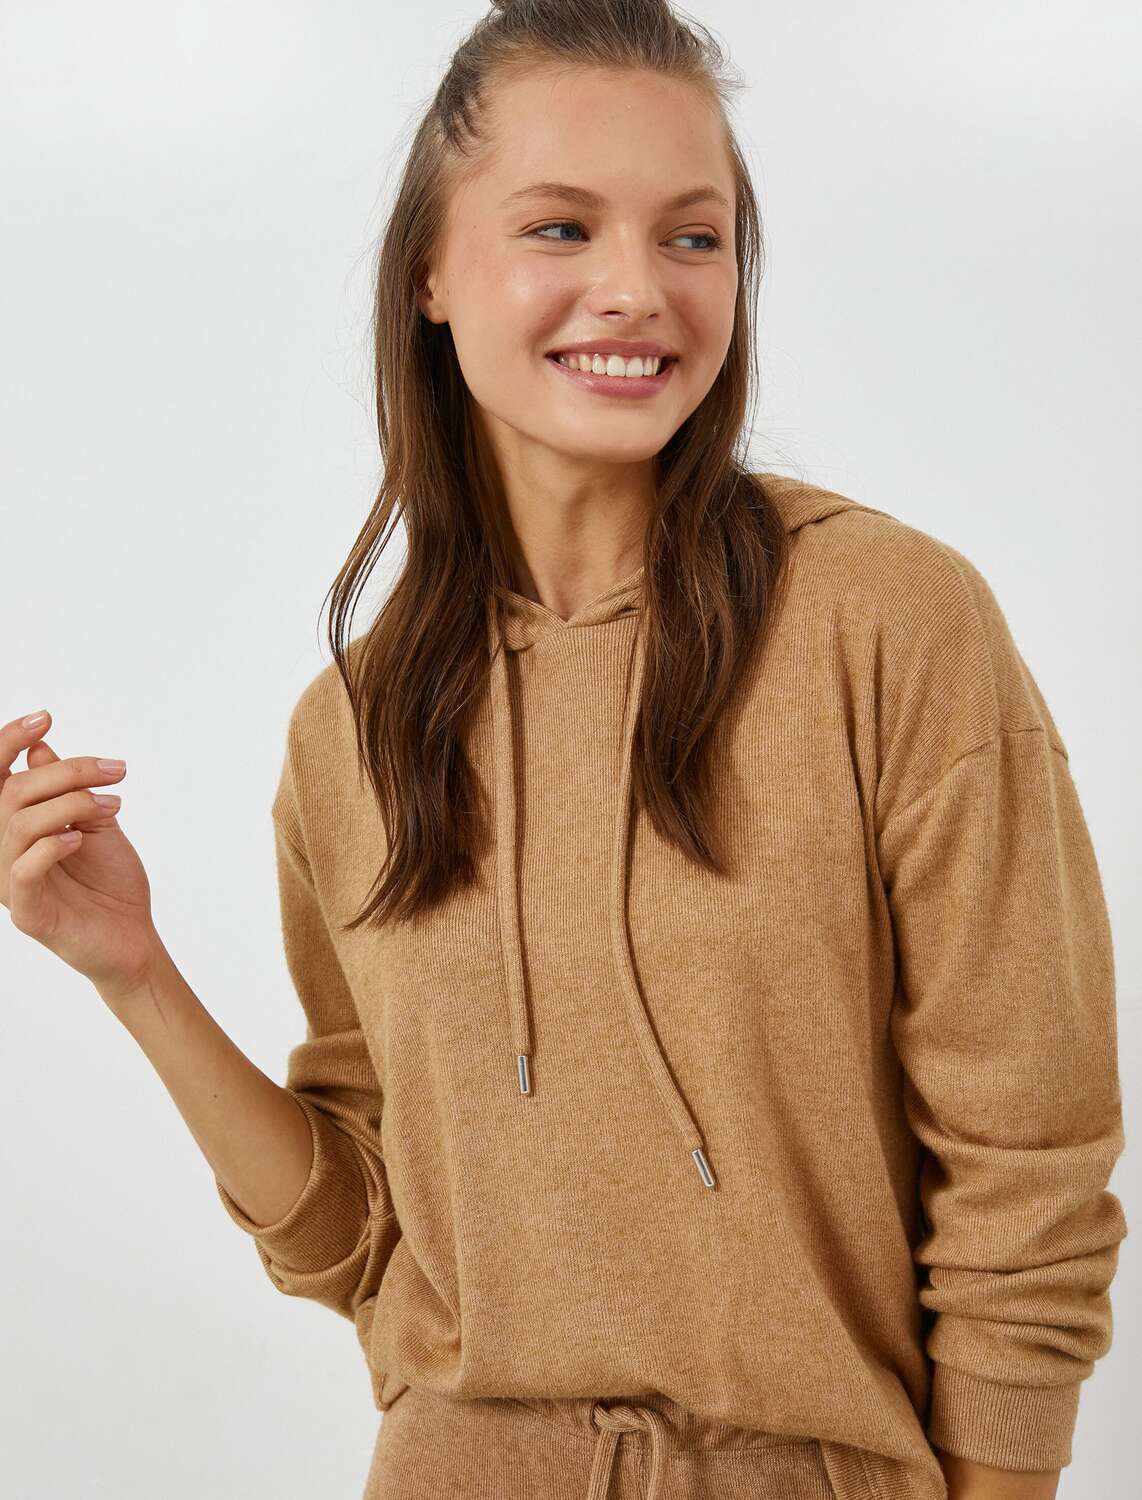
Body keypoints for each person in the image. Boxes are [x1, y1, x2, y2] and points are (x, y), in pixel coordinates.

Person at [2, 2, 1127, 1498]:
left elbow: (1027, 1160)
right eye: (559, 227)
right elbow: (360, 1238)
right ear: (430, 271)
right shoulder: (352, 732)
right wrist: (131, 969)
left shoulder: (886, 623)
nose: (636, 290)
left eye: (692, 237)